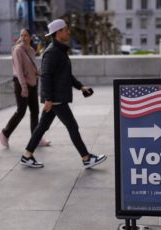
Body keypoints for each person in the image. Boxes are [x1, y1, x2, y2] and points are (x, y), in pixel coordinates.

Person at [20, 19, 106, 169]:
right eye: (66, 30)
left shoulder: (60, 50)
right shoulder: (52, 52)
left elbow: (66, 75)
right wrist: (48, 99)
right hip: (55, 99)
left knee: (42, 127)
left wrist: (81, 87)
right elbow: (46, 76)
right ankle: (86, 158)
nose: (69, 32)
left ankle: (27, 155)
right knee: (72, 126)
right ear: (58, 33)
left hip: (54, 98)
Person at [0, 28, 51, 149]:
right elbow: (19, 71)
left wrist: (36, 72)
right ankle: (5, 133)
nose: (23, 38)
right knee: (21, 111)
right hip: (21, 84)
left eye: (26, 35)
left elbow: (29, 67)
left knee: (35, 112)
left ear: (30, 37)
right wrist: (23, 87)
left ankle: (36, 138)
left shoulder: (31, 50)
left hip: (33, 83)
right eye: (21, 35)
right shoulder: (17, 51)